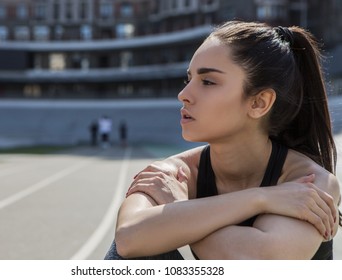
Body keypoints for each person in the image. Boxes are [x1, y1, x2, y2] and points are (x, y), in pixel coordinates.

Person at [105, 21, 341, 260]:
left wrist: (179, 210)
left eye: (207, 82)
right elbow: (128, 238)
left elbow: (258, 262)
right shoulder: (171, 175)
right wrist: (261, 199)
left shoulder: (308, 183)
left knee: (154, 232)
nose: (183, 95)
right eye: (189, 80)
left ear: (259, 103)